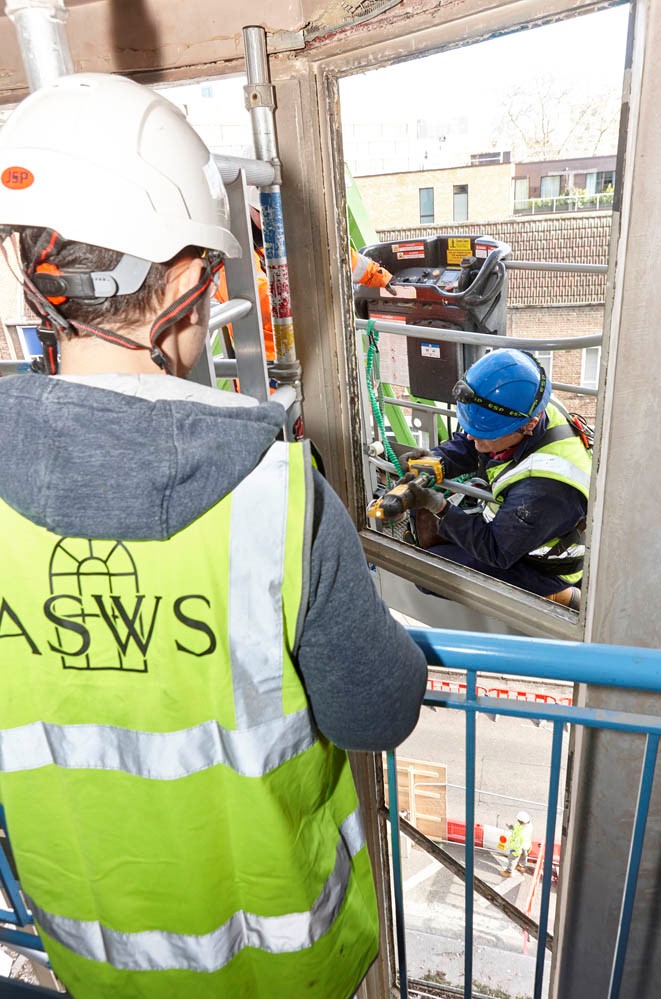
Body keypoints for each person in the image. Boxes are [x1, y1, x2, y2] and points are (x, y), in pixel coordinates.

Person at [0, 73, 428, 999]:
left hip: (92, 956)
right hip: (286, 970)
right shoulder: (274, 492)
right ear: (190, 282)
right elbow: (374, 712)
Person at [395, 348, 592, 605]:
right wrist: (435, 462)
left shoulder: (545, 486)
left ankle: (563, 597)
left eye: (482, 432)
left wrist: (437, 506)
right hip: (520, 530)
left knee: (427, 574)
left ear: (528, 425)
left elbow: (496, 551)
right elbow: (469, 443)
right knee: (432, 547)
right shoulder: (529, 406)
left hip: (540, 567)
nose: (470, 436)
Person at [502, 811, 534, 877]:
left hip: (517, 848)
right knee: (523, 857)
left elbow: (518, 844)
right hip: (526, 846)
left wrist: (514, 852)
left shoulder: (521, 833)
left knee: (512, 859)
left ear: (521, 821)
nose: (517, 821)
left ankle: (509, 872)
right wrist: (512, 827)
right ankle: (520, 866)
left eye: (518, 820)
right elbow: (518, 826)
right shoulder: (529, 825)